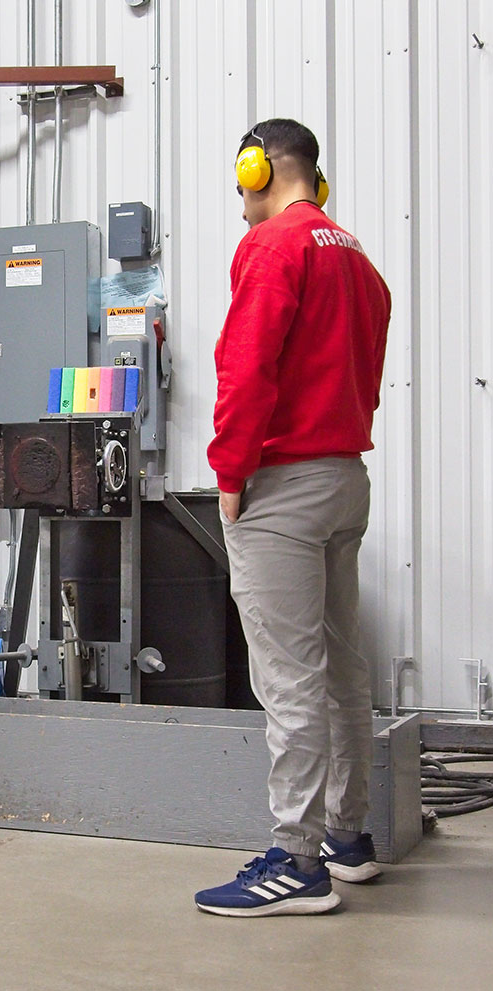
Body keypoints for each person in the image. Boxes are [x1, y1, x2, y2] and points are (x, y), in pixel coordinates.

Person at [194, 119, 391, 916]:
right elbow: (364, 376)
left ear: (258, 167)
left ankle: (295, 860)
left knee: (288, 677)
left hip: (282, 485)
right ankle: (348, 836)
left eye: (241, 179)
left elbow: (245, 369)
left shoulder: (272, 248)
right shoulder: (358, 260)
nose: (239, 199)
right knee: (341, 666)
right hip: (345, 476)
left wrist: (229, 471)